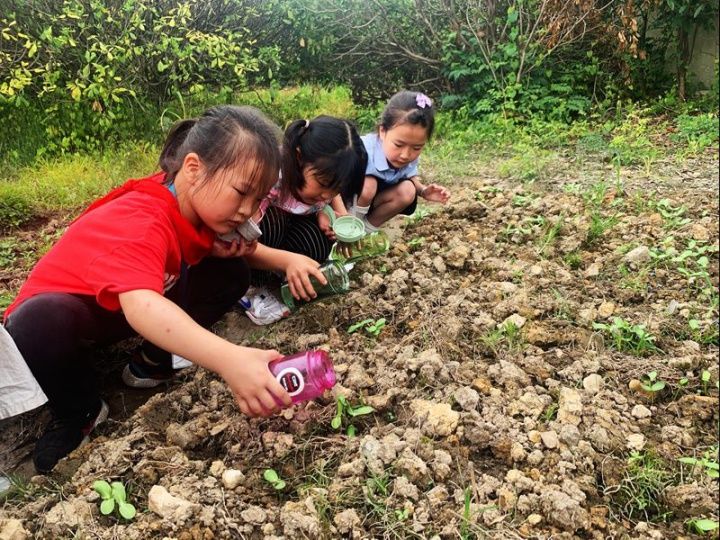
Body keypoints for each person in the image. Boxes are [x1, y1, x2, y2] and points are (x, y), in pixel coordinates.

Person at [2, 105, 293, 474]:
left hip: (116, 311)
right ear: (193, 168)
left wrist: (286, 260)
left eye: (258, 200)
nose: (247, 213)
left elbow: (199, 254)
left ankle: (151, 362)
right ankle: (81, 409)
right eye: (241, 193)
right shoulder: (142, 218)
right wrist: (230, 359)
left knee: (230, 271)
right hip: (71, 319)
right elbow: (142, 305)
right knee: (38, 322)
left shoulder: (189, 200)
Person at [240, 116, 367, 325]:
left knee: (321, 239)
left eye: (336, 188)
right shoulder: (271, 175)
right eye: (323, 184)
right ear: (298, 157)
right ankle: (252, 287)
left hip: (288, 227)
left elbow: (329, 193)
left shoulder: (321, 184)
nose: (327, 194)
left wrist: (336, 214)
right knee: (273, 223)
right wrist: (288, 260)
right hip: (247, 243)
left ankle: (282, 275)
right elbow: (242, 243)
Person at [350, 90, 450, 231]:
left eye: (416, 147)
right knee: (369, 185)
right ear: (382, 131)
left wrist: (423, 191)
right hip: (346, 199)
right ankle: (350, 227)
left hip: (375, 200)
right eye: (398, 145)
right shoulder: (362, 149)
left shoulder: (407, 156)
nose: (405, 155)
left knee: (408, 190)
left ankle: (365, 231)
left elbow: (409, 176)